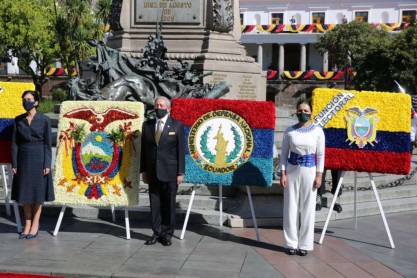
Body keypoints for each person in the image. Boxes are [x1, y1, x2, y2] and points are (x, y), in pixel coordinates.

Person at [280, 99, 325, 256]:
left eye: (306, 111)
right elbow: (284, 154)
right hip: (292, 169)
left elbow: (320, 154)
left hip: (310, 170)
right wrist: (283, 173)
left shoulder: (318, 131)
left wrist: (319, 175)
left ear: (311, 113)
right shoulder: (290, 131)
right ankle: (291, 243)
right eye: (300, 111)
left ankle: (305, 244)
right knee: (291, 206)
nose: (303, 113)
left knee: (308, 207)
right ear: (296, 112)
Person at [140, 96, 185, 246]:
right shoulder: (147, 125)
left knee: (169, 204)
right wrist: (144, 171)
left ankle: (167, 234)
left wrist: (180, 172)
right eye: (156, 105)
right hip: (153, 172)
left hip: (170, 172)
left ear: (168, 109)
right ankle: (156, 232)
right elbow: (144, 151)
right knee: (155, 203)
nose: (158, 107)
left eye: (161, 105)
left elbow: (180, 151)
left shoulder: (177, 125)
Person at [11, 90, 54, 239]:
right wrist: (14, 163)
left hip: (39, 157)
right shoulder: (18, 120)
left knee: (37, 194)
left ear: (36, 102)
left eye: (28, 99)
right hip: (23, 159)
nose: (25, 101)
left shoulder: (45, 120)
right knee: (25, 193)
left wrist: (47, 163)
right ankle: (27, 224)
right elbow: (15, 144)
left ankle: (35, 224)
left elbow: (48, 144)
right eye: (24, 99)